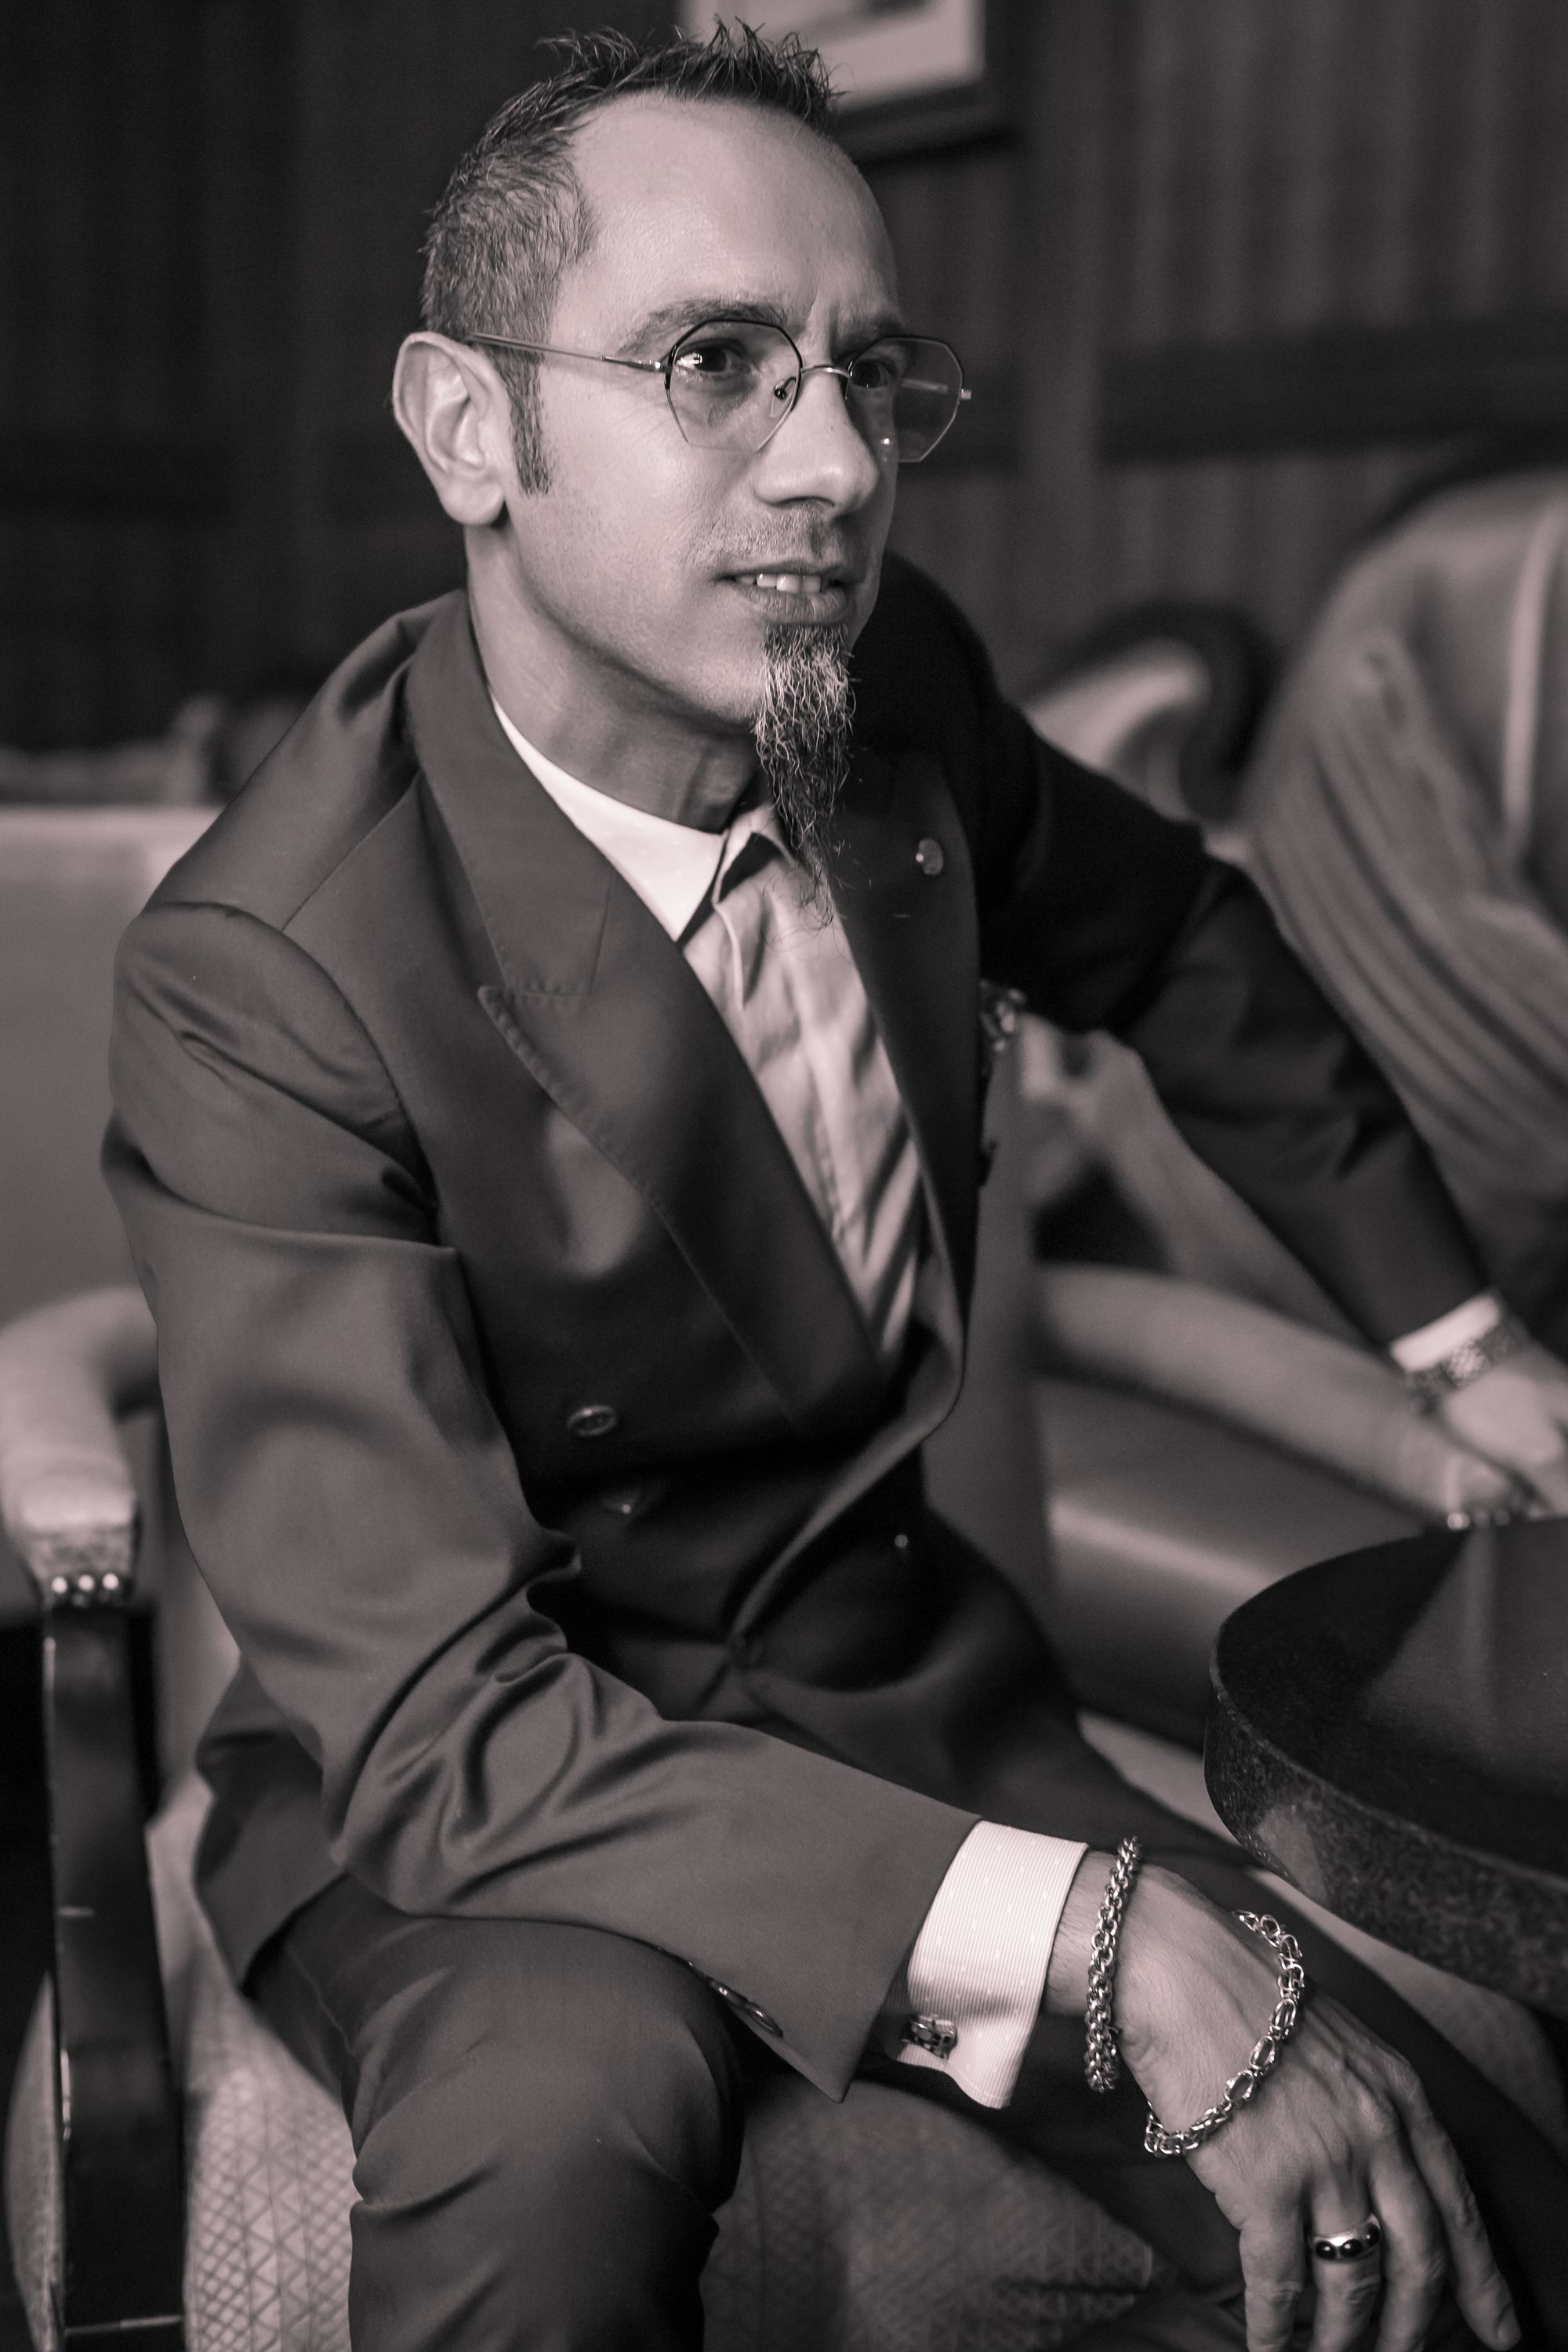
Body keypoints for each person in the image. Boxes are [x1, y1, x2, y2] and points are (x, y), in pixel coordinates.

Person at [104, 28, 1568, 2351]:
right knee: (555, 2128)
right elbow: (441, 1722)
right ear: (468, 428)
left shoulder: (892, 686)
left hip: (907, 1684)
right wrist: (1096, 1940)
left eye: (869, 376)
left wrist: (1460, 1343)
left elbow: (1181, 941)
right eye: (716, 364)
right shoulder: (261, 971)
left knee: (1460, 2212)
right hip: (498, 1770)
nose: (836, 468)